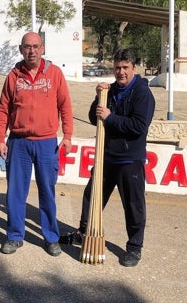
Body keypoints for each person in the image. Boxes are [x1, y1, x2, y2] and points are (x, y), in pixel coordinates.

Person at [59, 48, 155, 267]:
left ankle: (134, 247)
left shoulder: (142, 93)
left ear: (134, 68)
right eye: (117, 68)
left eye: (125, 68)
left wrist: (111, 118)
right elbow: (95, 119)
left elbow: (138, 127)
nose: (120, 72)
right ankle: (84, 233)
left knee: (133, 204)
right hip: (106, 157)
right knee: (91, 197)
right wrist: (98, 97)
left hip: (130, 159)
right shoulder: (110, 91)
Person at [0, 32, 74, 257]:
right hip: (18, 143)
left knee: (47, 192)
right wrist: (0, 138)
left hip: (47, 143)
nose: (32, 51)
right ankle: (14, 236)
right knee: (16, 193)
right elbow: (3, 109)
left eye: (36, 46)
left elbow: (65, 107)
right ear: (21, 49)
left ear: (43, 48)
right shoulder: (13, 76)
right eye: (27, 47)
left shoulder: (55, 74)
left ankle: (51, 237)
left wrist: (67, 135)